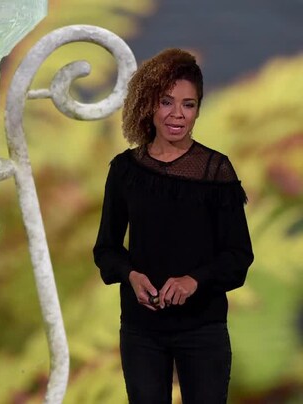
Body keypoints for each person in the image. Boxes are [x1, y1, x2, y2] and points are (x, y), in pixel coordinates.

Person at [92, 48, 254, 403]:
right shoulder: (125, 170)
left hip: (203, 331)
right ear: (149, 105)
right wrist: (131, 275)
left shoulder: (216, 171)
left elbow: (238, 256)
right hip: (141, 332)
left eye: (188, 104)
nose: (177, 114)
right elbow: (106, 249)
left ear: (198, 109)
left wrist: (194, 280)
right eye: (166, 102)